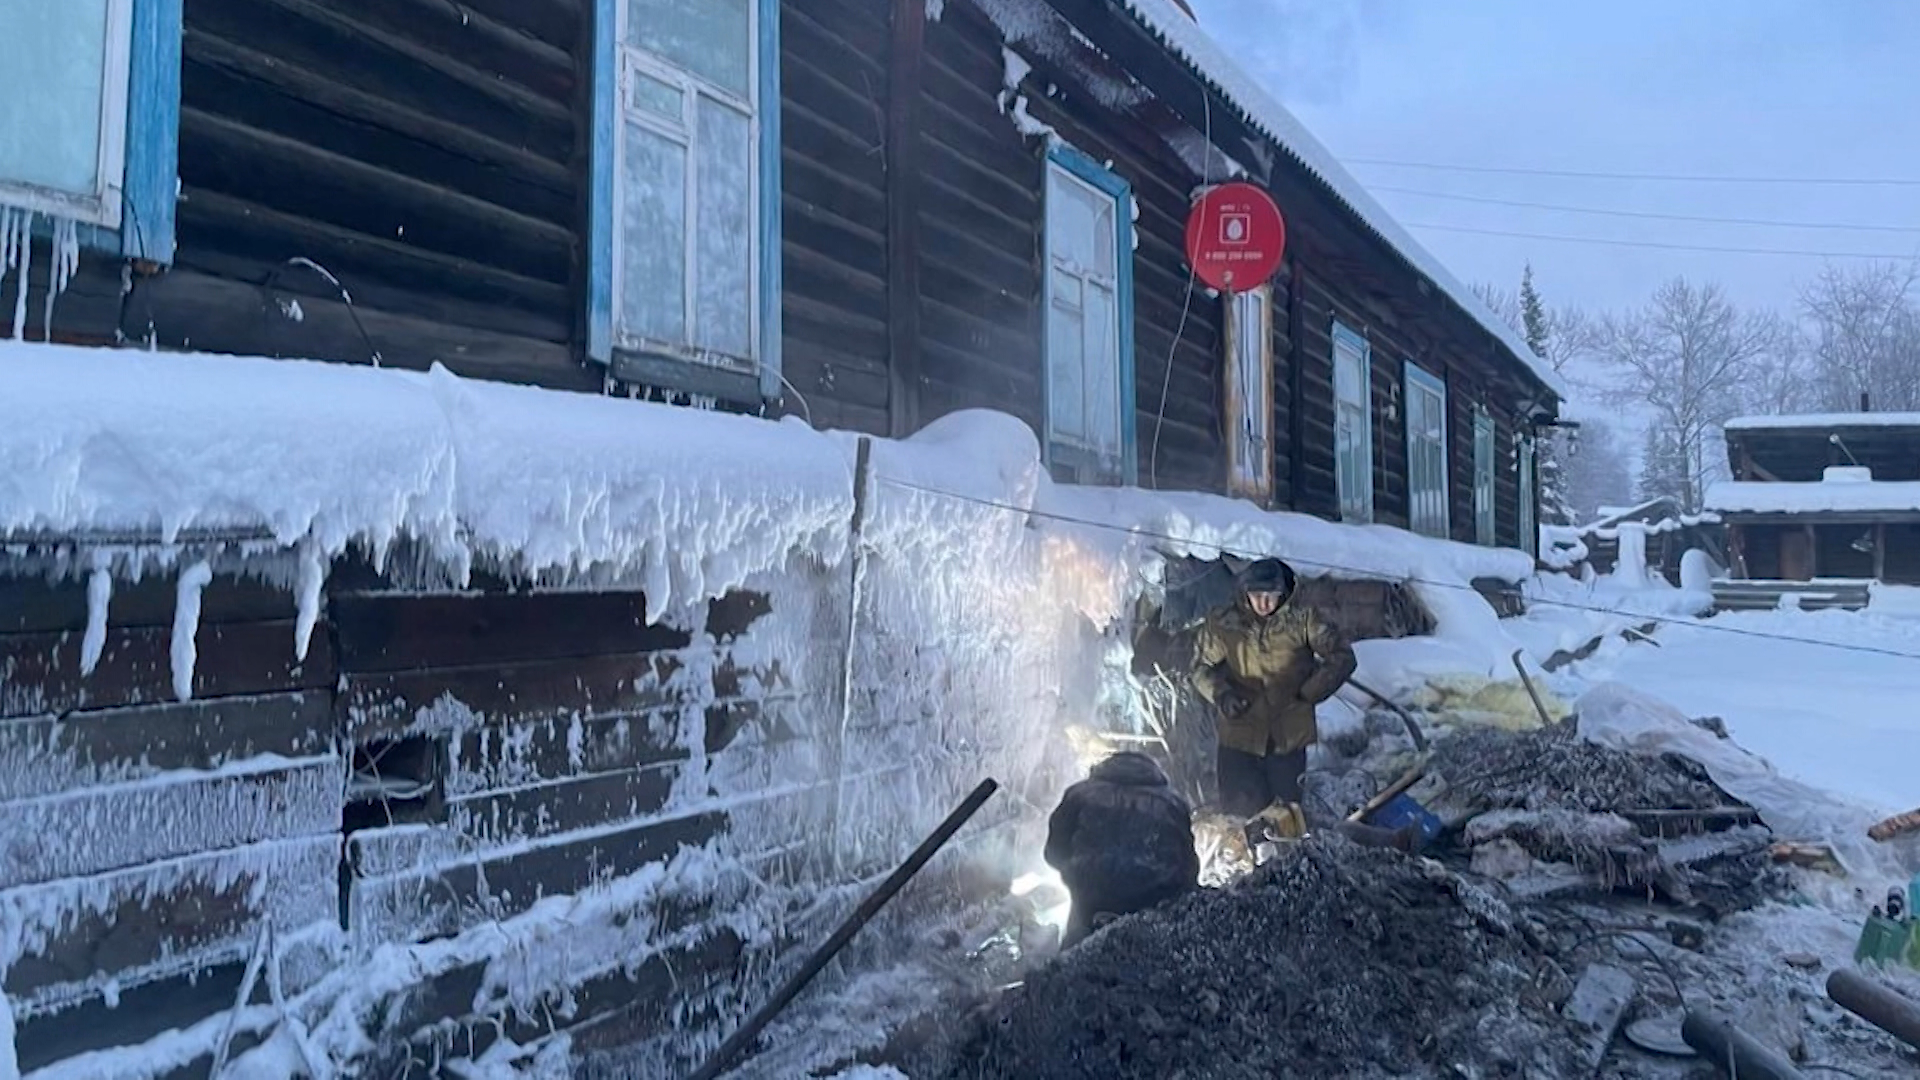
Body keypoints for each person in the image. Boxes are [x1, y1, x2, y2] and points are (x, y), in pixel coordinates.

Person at [1190, 557, 1357, 822]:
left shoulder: (1303, 620)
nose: (1264, 603)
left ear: (1284, 593)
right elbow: (1199, 665)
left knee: (1285, 821)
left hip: (1287, 739)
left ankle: (1281, 861)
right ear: (1245, 593)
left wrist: (1309, 693)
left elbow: (1342, 657)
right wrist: (1221, 694)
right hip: (1239, 737)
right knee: (1237, 820)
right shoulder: (1224, 623)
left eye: (1272, 595)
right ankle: (1241, 863)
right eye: (1257, 595)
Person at [1043, 751, 1199, 949]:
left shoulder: (1079, 794)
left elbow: (1053, 854)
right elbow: (1187, 868)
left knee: (1072, 959)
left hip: (1090, 900)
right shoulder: (1172, 803)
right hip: (1152, 903)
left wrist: (1081, 872)